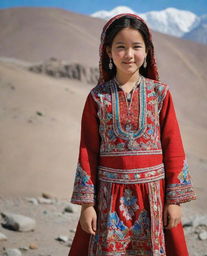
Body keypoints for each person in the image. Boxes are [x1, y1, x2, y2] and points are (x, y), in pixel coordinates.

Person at [68, 13, 197, 256]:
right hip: (109, 198)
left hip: (154, 197)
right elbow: (88, 151)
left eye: (136, 47)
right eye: (120, 47)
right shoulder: (98, 97)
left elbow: (173, 147)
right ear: (108, 51)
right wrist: (87, 205)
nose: (128, 54)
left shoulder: (160, 94)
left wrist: (174, 201)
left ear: (147, 51)